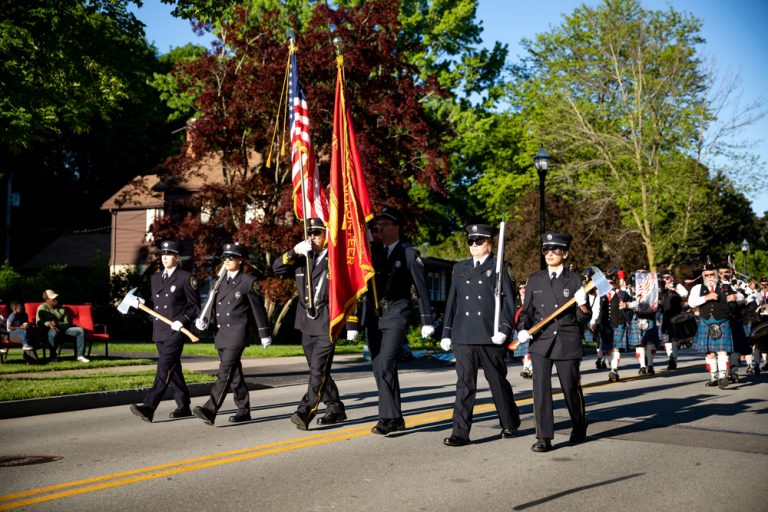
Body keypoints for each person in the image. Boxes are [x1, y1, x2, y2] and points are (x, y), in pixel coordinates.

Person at [348, 207, 434, 436]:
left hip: (396, 313)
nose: (380, 229)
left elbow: (421, 288)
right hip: (374, 317)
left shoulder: (408, 253)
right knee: (379, 367)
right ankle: (395, 417)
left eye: (385, 225)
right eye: (379, 226)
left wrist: (427, 320)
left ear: (397, 228)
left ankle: (386, 418)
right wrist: (353, 323)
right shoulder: (373, 255)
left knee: (386, 364)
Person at [439, 223, 520, 446]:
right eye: (470, 241)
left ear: (490, 244)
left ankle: (509, 422)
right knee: (465, 385)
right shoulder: (460, 268)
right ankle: (460, 432)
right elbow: (452, 302)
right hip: (463, 335)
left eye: (479, 241)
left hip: (489, 335)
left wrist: (504, 329)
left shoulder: (501, 267)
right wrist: (446, 332)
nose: (474, 245)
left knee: (496, 382)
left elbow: (509, 303)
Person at [513, 232, 591, 452]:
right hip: (541, 341)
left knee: (570, 388)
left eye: (555, 250)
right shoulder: (534, 279)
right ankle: (544, 436)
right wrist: (522, 329)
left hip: (566, 340)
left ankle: (579, 423)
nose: (550, 254)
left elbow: (583, 318)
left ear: (565, 254)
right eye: (546, 250)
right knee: (540, 390)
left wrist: (583, 305)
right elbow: (527, 311)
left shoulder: (575, 280)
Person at [272, 218, 347, 430]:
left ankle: (305, 410)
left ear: (327, 234)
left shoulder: (336, 259)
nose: (312, 237)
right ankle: (335, 407)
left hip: (327, 323)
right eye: (310, 233)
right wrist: (294, 251)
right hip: (306, 323)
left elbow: (349, 291)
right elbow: (276, 268)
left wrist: (351, 325)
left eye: (317, 233)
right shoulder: (304, 258)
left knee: (317, 371)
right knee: (319, 370)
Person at [193, 242, 272, 426]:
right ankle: (243, 410)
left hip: (237, 333)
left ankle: (210, 409)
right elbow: (213, 304)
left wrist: (264, 333)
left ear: (240, 260)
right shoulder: (219, 281)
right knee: (235, 374)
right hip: (221, 333)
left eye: (232, 257)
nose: (227, 260)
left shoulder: (247, 282)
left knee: (225, 372)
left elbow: (258, 309)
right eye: (225, 257)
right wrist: (203, 318)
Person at [129, 240, 201, 423]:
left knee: (164, 368)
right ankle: (183, 406)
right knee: (173, 369)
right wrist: (142, 303)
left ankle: (149, 407)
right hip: (160, 330)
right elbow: (156, 303)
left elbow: (195, 307)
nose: (165, 258)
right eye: (162, 255)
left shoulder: (186, 277)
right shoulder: (156, 277)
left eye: (168, 255)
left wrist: (182, 321)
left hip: (176, 331)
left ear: (176, 257)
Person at [688, 261, 738, 388]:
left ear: (716, 274)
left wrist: (736, 297)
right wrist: (706, 298)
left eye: (712, 274)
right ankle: (714, 378)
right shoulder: (697, 288)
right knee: (709, 352)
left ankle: (723, 377)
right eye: (707, 275)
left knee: (722, 351)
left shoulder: (725, 286)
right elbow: (691, 303)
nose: (710, 277)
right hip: (705, 321)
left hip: (722, 321)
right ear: (703, 275)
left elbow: (742, 297)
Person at [35, 289, 89, 363]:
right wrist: (49, 324)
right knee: (53, 333)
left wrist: (57, 324)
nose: (56, 300)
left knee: (80, 330)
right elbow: (39, 322)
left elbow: (67, 323)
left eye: (56, 298)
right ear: (47, 299)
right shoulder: (42, 307)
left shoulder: (61, 308)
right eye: (53, 299)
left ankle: (80, 356)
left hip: (63, 328)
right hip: (49, 329)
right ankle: (53, 357)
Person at [627, 266, 660, 375]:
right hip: (637, 316)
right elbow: (626, 300)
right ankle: (642, 366)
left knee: (650, 342)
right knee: (639, 344)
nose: (641, 275)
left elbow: (656, 302)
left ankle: (650, 365)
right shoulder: (630, 287)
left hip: (649, 315)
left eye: (644, 273)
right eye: (639, 273)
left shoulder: (654, 286)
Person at [659, 269, 689, 370]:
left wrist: (673, 289)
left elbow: (685, 293)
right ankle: (670, 358)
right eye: (663, 278)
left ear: (672, 278)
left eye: (667, 277)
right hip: (665, 315)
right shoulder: (661, 288)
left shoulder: (678, 286)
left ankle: (674, 359)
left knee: (674, 338)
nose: (665, 279)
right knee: (666, 338)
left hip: (676, 315)